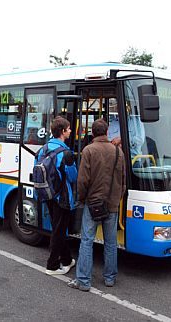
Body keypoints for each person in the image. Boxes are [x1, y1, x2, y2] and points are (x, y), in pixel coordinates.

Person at [68, 118, 126, 291]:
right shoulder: (118, 152)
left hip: (92, 204)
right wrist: (116, 197)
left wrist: (83, 199)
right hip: (113, 204)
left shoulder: (89, 150)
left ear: (92, 133)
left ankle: (83, 281)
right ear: (107, 132)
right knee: (110, 242)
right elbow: (123, 181)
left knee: (86, 241)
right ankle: (110, 278)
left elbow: (82, 181)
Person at [35, 116, 78, 275]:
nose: (70, 131)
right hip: (62, 197)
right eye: (68, 129)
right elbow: (73, 177)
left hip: (47, 194)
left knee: (57, 227)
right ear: (62, 132)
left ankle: (67, 259)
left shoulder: (44, 149)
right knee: (59, 231)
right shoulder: (65, 153)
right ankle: (52, 265)